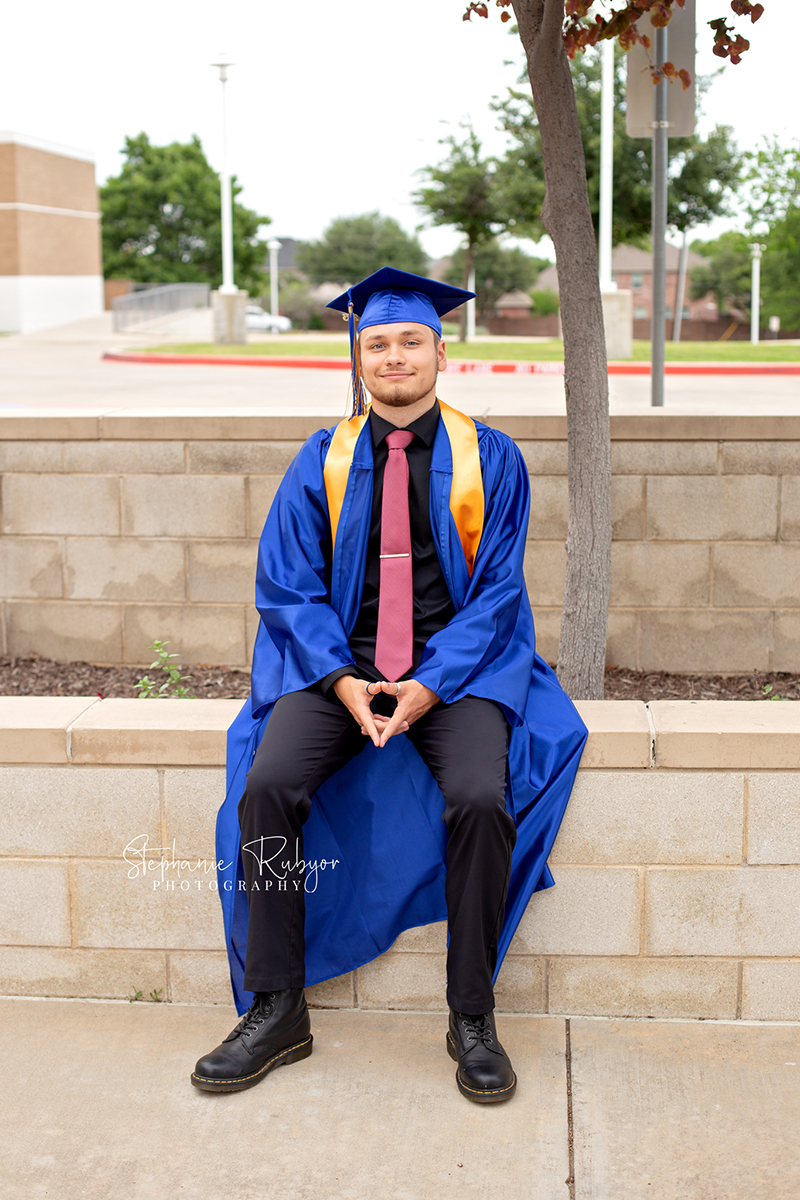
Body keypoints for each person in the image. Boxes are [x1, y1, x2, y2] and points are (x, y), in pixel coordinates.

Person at [191, 267, 587, 1103]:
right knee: (267, 785)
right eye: (378, 344)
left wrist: (430, 687)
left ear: (442, 352)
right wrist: (341, 682)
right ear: (357, 357)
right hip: (341, 664)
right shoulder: (320, 459)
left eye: (411, 341)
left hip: (459, 670)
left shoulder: (493, 457)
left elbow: (500, 593)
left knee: (482, 796)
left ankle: (470, 1014)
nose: (395, 356)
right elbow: (287, 584)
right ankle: (277, 1005)